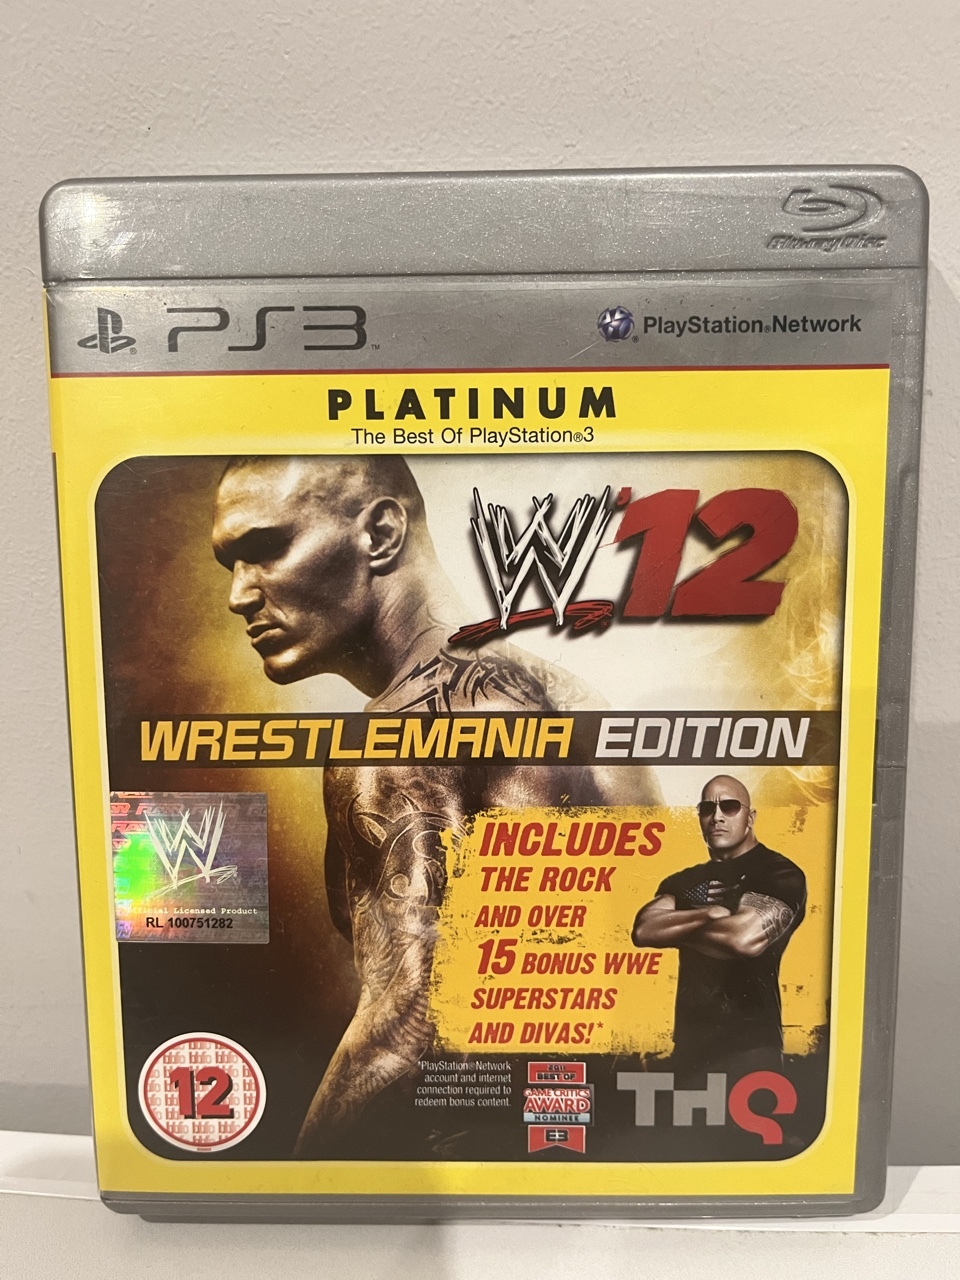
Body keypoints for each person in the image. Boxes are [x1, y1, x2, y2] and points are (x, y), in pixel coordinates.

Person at [212, 455, 661, 1155]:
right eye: (230, 565)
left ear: (381, 533)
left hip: (477, 1174)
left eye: (265, 548)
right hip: (606, 1152)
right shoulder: (569, 699)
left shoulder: (403, 730)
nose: (239, 595)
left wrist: (299, 1189)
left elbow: (406, 1027)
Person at [631, 774, 806, 1080]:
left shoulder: (779, 872)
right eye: (707, 809)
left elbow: (743, 938)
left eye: (730, 806)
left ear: (750, 817)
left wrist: (677, 927)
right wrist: (710, 914)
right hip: (690, 1046)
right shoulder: (683, 880)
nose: (717, 817)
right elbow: (644, 930)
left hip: (752, 1046)